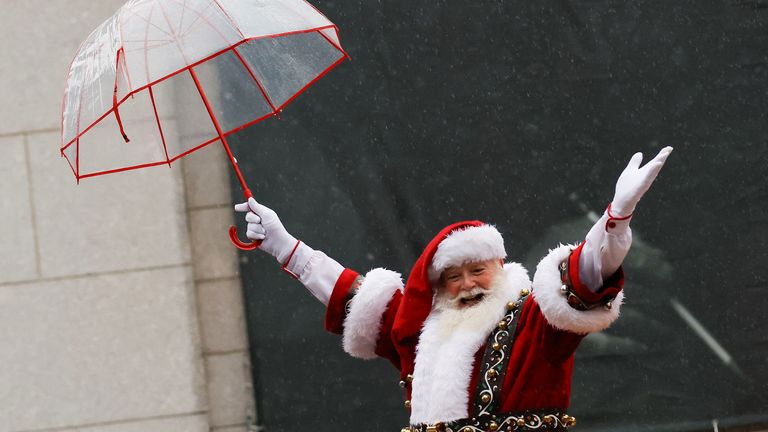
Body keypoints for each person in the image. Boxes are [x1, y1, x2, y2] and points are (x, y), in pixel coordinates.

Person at [235, 147, 673, 432]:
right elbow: (351, 293)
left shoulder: (535, 319)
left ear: (499, 266)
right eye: (453, 276)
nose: (466, 285)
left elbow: (586, 275)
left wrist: (616, 217)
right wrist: (283, 245)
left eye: (477, 270)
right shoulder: (422, 333)